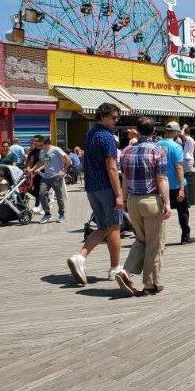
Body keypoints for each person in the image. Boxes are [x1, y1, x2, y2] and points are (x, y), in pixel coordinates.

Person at [67, 103, 125, 285]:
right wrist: (119, 194)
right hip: (106, 187)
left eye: (117, 117)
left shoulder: (90, 134)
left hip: (92, 187)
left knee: (104, 227)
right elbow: (112, 167)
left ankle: (80, 257)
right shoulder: (107, 137)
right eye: (113, 117)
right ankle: (115, 268)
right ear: (102, 116)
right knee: (115, 226)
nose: (116, 120)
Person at [115, 117, 172, 297]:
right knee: (154, 244)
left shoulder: (126, 151)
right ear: (154, 130)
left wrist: (123, 200)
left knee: (141, 240)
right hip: (151, 201)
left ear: (137, 131)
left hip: (132, 201)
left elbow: (124, 179)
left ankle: (126, 271)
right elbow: (161, 179)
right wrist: (167, 202)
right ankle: (150, 284)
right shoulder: (158, 150)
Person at [158, 121, 194, 244]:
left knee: (159, 213)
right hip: (175, 185)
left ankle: (158, 238)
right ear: (174, 132)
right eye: (178, 132)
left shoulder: (156, 145)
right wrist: (181, 188)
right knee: (183, 210)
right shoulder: (176, 147)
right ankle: (185, 237)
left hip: (161, 186)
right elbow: (179, 167)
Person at [33, 138, 70, 223]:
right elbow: (42, 162)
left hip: (56, 176)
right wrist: (33, 169)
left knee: (59, 196)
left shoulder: (56, 149)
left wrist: (64, 171)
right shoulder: (42, 151)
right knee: (41, 193)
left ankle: (61, 214)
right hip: (46, 177)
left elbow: (68, 159)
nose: (40, 147)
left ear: (47, 144)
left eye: (41, 145)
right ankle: (47, 214)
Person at [25, 136, 44, 213]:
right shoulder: (32, 152)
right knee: (35, 189)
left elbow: (41, 162)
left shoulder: (43, 151)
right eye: (33, 142)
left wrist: (32, 169)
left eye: (35, 141)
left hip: (42, 172)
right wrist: (29, 168)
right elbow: (30, 162)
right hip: (34, 173)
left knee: (40, 190)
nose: (34, 143)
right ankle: (43, 203)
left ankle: (38, 206)